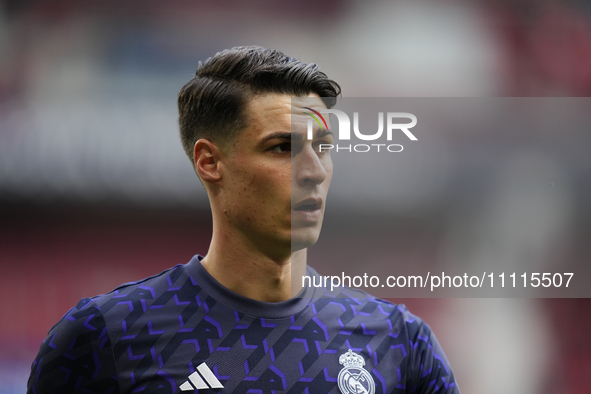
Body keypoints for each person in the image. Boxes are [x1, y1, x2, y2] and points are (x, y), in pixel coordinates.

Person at [27, 46, 459, 393]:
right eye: (282, 148)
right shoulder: (103, 338)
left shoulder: (399, 343)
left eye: (323, 147)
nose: (314, 171)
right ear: (210, 162)